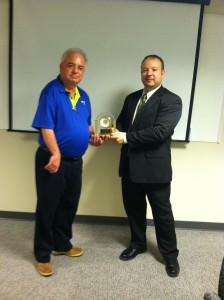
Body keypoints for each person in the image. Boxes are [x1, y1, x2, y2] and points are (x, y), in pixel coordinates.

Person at [32, 48, 103, 277]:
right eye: (71, 65)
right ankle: (42, 255)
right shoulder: (51, 91)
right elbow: (46, 125)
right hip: (53, 160)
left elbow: (86, 124)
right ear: (61, 67)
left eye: (80, 67)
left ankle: (61, 245)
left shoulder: (83, 96)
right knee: (47, 207)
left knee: (68, 205)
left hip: (75, 162)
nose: (75, 70)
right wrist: (55, 153)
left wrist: (93, 136)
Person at [110, 54, 182, 277]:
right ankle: (138, 244)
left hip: (155, 170)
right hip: (130, 165)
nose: (149, 74)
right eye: (144, 70)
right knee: (133, 209)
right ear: (140, 73)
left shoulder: (171, 100)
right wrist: (108, 131)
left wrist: (126, 137)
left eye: (154, 69)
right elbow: (122, 122)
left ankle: (170, 256)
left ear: (162, 73)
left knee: (162, 214)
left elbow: (160, 131)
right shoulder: (132, 98)